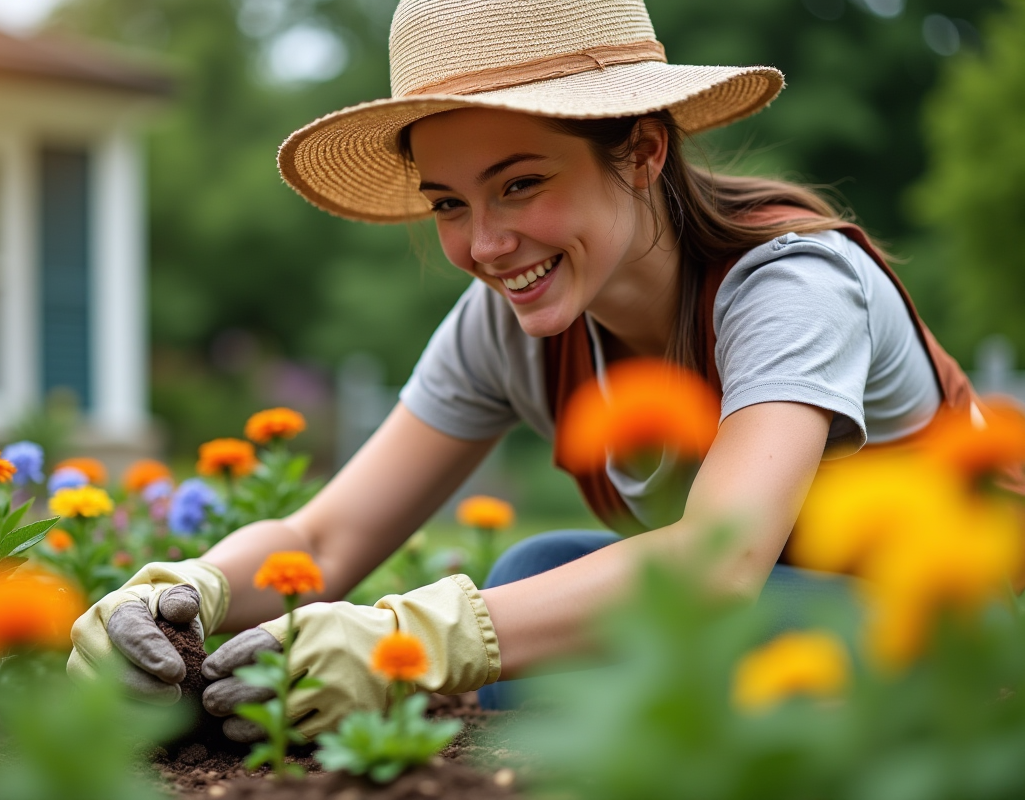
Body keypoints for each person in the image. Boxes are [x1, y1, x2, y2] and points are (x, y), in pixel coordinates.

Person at [68, 0, 995, 739]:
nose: (484, 244)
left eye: (521, 184)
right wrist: (192, 590)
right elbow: (327, 536)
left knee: (545, 636)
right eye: (449, 203)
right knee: (534, 570)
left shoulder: (791, 286)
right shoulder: (509, 324)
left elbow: (721, 563)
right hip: (779, 626)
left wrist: (411, 635)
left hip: (961, 631)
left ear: (641, 149)